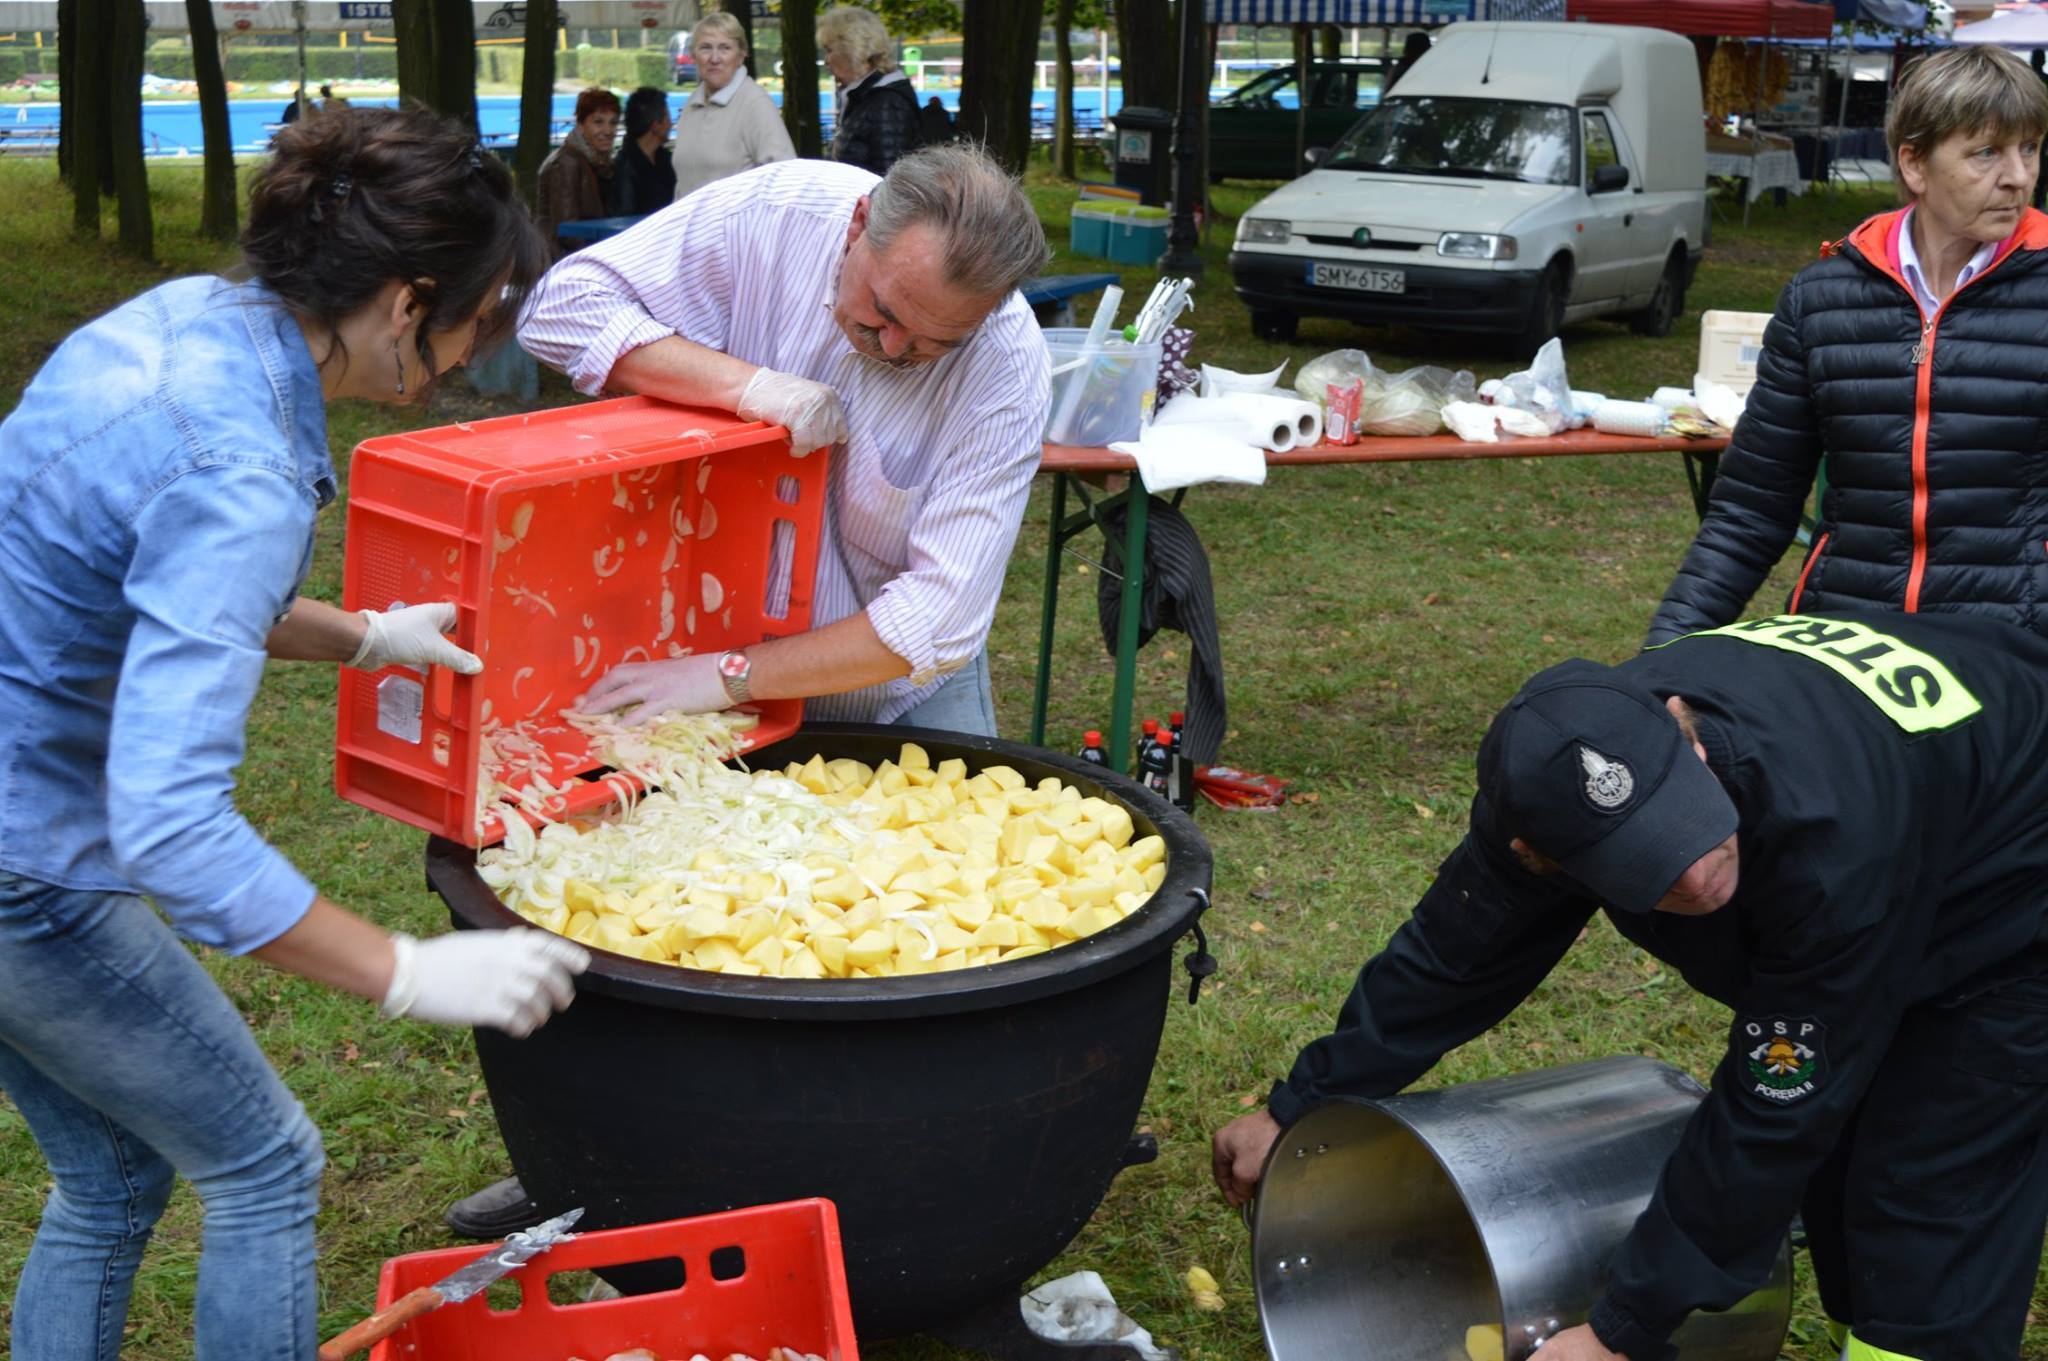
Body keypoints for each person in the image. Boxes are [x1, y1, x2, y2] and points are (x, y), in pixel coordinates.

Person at [0, 107, 584, 1361]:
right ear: (408, 299)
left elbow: (148, 577)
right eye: (480, 322)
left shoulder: (177, 325)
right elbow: (171, 827)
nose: (474, 356)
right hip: (22, 868)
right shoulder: (241, 467)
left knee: (112, 1178)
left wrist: (367, 637)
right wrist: (407, 970)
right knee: (266, 1161)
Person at [449, 145, 1051, 1237]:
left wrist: (723, 677)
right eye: (879, 312)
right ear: (860, 221)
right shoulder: (776, 209)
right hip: (695, 635)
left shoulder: (1006, 367)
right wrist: (745, 386)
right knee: (659, 938)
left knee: (924, 946)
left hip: (887, 694)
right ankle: (588, 1172)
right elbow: (561, 308)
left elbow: (932, 622)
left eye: (933, 338)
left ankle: (909, 1187)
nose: (893, 346)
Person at [1213, 610, 2048, 1361]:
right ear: (1541, 860)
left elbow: (1775, 1105)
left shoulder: (1829, 843)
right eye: (1645, 865)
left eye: (1688, 824)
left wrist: (1623, 1327)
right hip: (1921, 811)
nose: (1695, 872)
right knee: (1840, 1167)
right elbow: (1457, 950)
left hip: (2013, 888)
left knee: (1927, 1194)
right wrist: (1300, 1104)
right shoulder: (1569, 765)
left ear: (1686, 739)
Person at [1648, 46, 2048, 646]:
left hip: (2013, 654)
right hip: (1847, 646)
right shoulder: (1821, 301)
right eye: (1986, 152)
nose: (2017, 175)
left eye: (2030, 147)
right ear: (1915, 164)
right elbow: (1751, 511)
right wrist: (1662, 657)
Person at [670, 10, 794, 200]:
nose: (714, 58)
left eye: (724, 48)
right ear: (693, 55)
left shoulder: (755, 103)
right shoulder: (691, 105)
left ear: (742, 54)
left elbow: (785, 179)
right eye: (705, 48)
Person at [818, 5, 923, 179]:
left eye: (829, 50)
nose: (826, 60)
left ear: (851, 49)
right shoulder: (865, 97)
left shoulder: (886, 102)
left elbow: (889, 184)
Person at [536, 85, 620, 249]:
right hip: (564, 260)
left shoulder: (600, 163)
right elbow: (567, 231)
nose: (608, 130)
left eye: (613, 123)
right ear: (581, 125)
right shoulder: (566, 163)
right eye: (598, 122)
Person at [610, 85, 677, 217]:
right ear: (656, 125)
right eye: (668, 118)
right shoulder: (625, 169)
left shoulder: (667, 161)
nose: (671, 124)